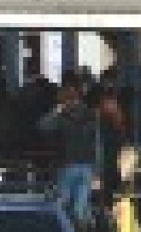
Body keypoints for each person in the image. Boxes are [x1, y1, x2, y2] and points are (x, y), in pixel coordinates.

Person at [38, 85, 99, 232]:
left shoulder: (62, 116)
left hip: (68, 165)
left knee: (63, 207)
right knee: (79, 208)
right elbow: (98, 143)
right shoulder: (91, 115)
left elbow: (43, 126)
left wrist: (55, 111)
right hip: (87, 166)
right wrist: (97, 170)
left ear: (64, 101)